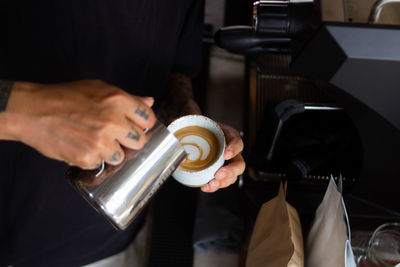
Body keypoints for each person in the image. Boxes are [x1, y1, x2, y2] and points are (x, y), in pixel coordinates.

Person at [0, 0, 245, 266]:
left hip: (104, 232)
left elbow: (174, 67)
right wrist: (28, 111)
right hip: (15, 205)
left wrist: (185, 122)